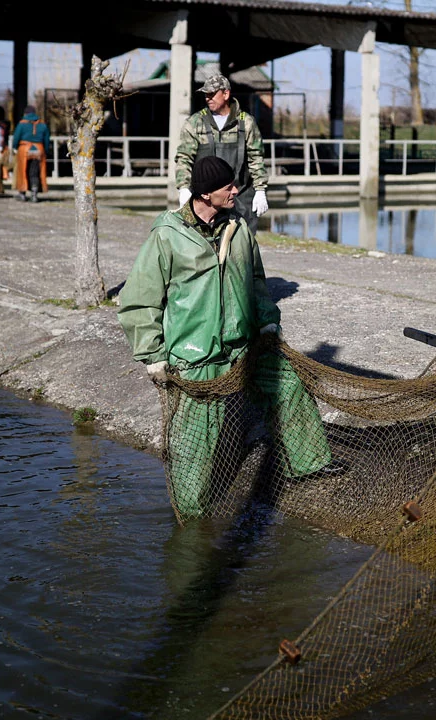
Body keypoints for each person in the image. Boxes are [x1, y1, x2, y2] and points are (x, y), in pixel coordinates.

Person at [118, 156, 340, 517]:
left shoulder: (238, 229)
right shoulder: (167, 236)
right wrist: (152, 354)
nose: (236, 190)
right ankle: (191, 515)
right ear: (206, 194)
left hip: (244, 345)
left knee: (289, 384)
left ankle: (309, 465)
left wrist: (267, 321)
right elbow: (139, 301)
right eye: (228, 186)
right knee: (196, 441)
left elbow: (256, 280)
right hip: (196, 355)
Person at [174, 74, 269, 232]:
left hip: (240, 196)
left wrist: (260, 189)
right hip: (207, 200)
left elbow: (256, 157)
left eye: (212, 94)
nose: (208, 98)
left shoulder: (246, 122)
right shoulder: (195, 123)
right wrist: (184, 188)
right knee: (205, 241)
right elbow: (184, 158)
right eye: (206, 94)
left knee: (242, 242)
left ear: (226, 94)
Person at [10, 105, 51, 202]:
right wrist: (46, 151)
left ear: (25, 114)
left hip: (24, 149)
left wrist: (14, 148)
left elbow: (16, 138)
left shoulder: (21, 124)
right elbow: (47, 140)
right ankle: (34, 194)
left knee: (22, 171)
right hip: (38, 150)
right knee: (35, 172)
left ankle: (22, 193)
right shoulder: (42, 124)